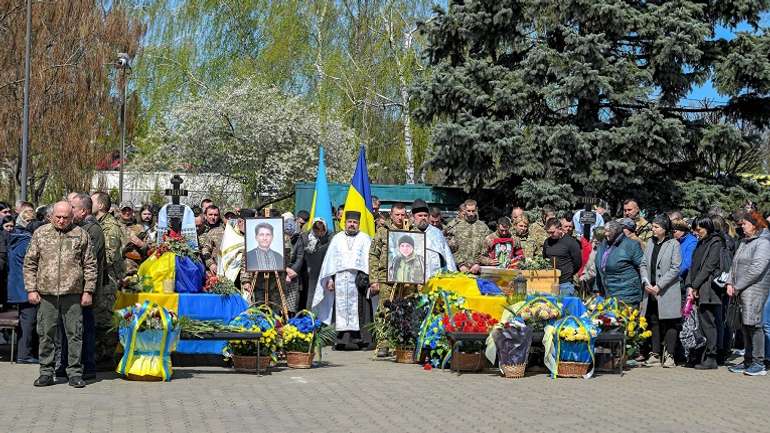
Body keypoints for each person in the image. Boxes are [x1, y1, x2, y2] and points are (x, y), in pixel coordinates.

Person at [24, 201, 97, 388]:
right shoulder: (41, 233)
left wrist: (88, 291)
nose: (62, 221)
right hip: (46, 293)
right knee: (46, 334)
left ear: (72, 217)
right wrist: (31, 289)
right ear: (51, 216)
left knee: (75, 334)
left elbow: (90, 265)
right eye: (58, 217)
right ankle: (46, 373)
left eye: (66, 217)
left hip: (73, 294)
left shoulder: (81, 235)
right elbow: (30, 263)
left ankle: (74, 373)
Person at [57, 193, 106, 380]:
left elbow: (85, 259)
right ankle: (66, 364)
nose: (69, 210)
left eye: (73, 208)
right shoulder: (76, 228)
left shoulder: (93, 230)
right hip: (71, 289)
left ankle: (88, 366)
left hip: (86, 289)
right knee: (68, 328)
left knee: (84, 328)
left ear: (83, 211)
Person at [312, 211, 373, 350]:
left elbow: (369, 262)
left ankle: (360, 340)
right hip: (339, 279)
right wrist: (330, 279)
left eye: (355, 222)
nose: (352, 224)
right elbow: (330, 262)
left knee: (359, 310)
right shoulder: (337, 238)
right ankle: (340, 340)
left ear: (359, 224)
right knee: (340, 308)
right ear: (344, 223)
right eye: (349, 222)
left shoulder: (365, 238)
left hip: (358, 280)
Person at [726, 211, 770, 376]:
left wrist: (737, 285)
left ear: (755, 224)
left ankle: (759, 363)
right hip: (741, 289)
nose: (741, 226)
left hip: (755, 289)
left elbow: (756, 269)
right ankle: (748, 360)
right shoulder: (745, 242)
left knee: (754, 325)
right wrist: (730, 282)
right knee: (744, 325)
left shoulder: (763, 243)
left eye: (744, 224)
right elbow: (734, 264)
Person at [369, 202, 415, 357]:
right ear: (391, 214)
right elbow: (374, 255)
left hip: (407, 278)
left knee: (407, 309)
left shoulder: (412, 231)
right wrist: (373, 279)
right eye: (397, 214)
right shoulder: (382, 231)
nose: (400, 218)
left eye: (403, 215)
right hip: (386, 276)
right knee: (385, 309)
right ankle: (383, 343)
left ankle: (404, 341)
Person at [639, 214, 682, 367]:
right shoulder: (650, 242)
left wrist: (659, 285)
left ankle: (670, 355)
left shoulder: (673, 244)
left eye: (656, 227)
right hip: (650, 289)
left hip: (666, 289)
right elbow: (643, 263)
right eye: (653, 226)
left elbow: (675, 268)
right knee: (653, 320)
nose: (653, 229)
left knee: (670, 322)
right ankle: (655, 354)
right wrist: (645, 281)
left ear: (665, 229)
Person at [684, 216, 725, 370]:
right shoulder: (701, 242)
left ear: (706, 227)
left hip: (708, 290)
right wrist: (689, 285)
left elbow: (708, 266)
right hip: (697, 288)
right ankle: (702, 354)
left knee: (709, 324)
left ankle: (712, 356)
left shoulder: (716, 242)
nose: (697, 232)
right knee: (701, 324)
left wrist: (694, 286)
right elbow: (693, 265)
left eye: (699, 229)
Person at [5, 211, 39, 363]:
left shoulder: (15, 240)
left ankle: (23, 353)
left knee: (25, 321)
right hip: (25, 289)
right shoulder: (27, 243)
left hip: (16, 288)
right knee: (28, 322)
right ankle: (24, 355)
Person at [594, 220, 644, 305]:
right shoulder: (602, 245)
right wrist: (597, 289)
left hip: (627, 298)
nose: (606, 234)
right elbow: (599, 270)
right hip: (607, 297)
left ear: (617, 231)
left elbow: (643, 267)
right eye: (605, 231)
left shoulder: (631, 245)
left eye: (608, 231)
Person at [411, 199, 456, 279]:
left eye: (425, 215)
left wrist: (452, 276)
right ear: (413, 216)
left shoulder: (436, 233)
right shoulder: (407, 232)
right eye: (420, 216)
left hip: (434, 278)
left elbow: (447, 257)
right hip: (413, 279)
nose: (423, 218)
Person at [91, 192, 125, 294]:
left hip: (108, 280)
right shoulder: (97, 223)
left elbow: (110, 256)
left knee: (103, 309)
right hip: (100, 277)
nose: (88, 204)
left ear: (100, 205)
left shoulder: (110, 227)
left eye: (91, 202)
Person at [543, 218, 582, 296]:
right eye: (548, 232)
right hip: (549, 282)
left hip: (565, 283)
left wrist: (569, 273)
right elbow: (544, 258)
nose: (550, 235)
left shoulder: (571, 242)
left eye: (552, 232)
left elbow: (577, 262)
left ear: (560, 229)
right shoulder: (547, 242)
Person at [449, 199, 490, 274]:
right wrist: (460, 264)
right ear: (464, 210)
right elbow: (451, 249)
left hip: (478, 269)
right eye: (468, 211)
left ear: (476, 210)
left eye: (473, 211)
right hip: (460, 269)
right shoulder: (456, 227)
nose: (471, 214)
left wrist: (478, 263)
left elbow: (487, 248)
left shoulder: (483, 227)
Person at [300, 218, 332, 310]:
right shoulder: (305, 237)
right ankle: (310, 315)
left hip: (325, 269)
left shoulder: (330, 236)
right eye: (317, 231)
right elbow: (301, 253)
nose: (320, 234)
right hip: (309, 271)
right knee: (311, 294)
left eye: (322, 232)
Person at [118, 201, 145, 275]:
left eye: (129, 210)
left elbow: (151, 249)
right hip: (117, 271)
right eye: (124, 210)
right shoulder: (114, 227)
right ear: (119, 211)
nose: (127, 212)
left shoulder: (139, 228)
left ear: (132, 211)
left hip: (134, 270)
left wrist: (142, 245)